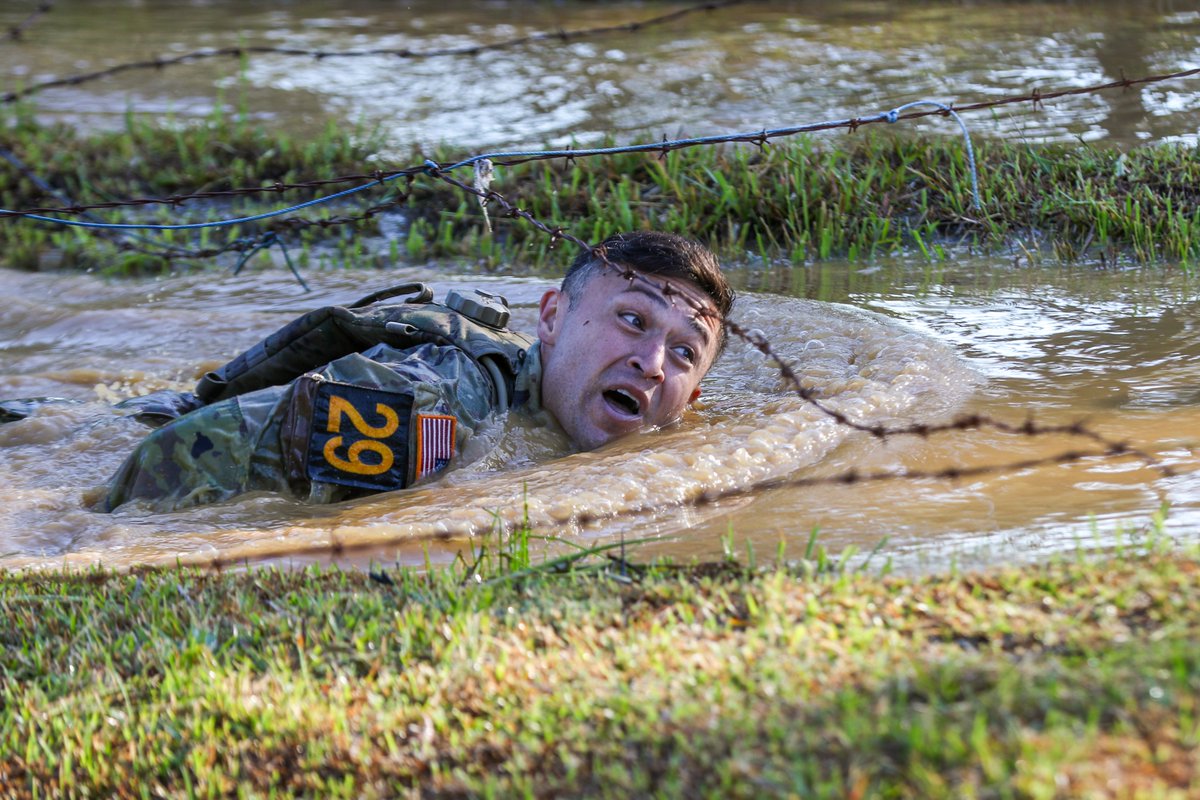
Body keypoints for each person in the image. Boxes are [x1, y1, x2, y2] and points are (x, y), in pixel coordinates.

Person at [100, 230, 734, 512]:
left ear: (693, 398)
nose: (651, 364)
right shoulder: (446, 400)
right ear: (551, 319)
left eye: (683, 352)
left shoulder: (560, 405)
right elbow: (180, 455)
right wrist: (96, 534)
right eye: (633, 321)